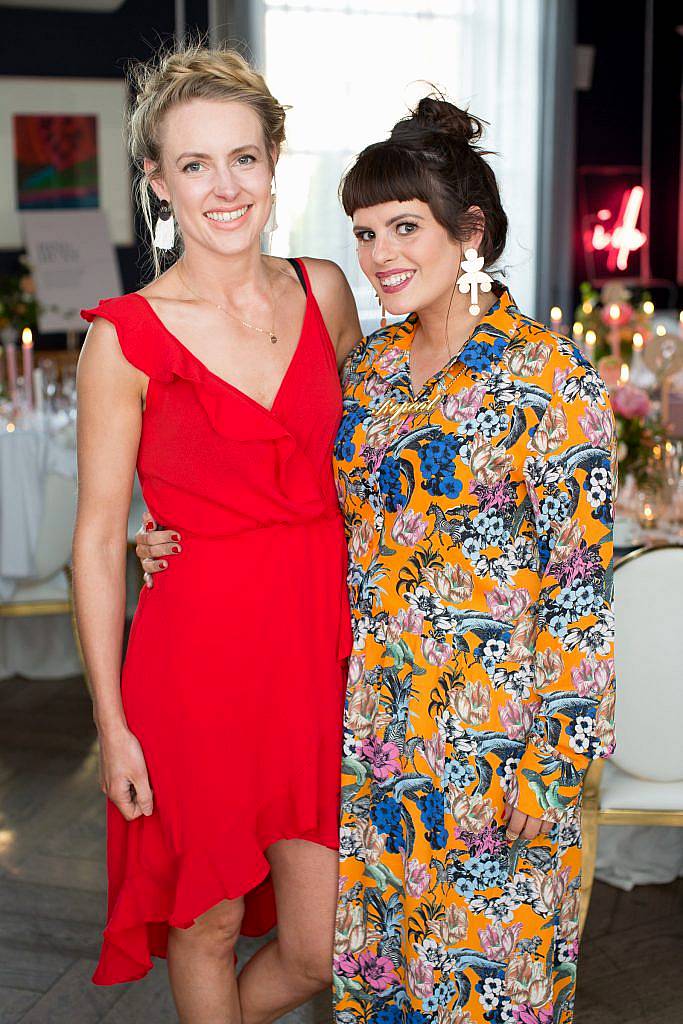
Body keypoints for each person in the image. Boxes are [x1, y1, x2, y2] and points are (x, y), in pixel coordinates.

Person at [136, 94, 617, 1023]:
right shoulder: (367, 376)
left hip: (495, 745)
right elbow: (285, 498)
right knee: (380, 984)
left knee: (490, 988)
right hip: (372, 736)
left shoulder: (551, 379)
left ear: (469, 233)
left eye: (405, 227)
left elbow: (577, 588)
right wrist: (161, 536)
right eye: (363, 233)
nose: (380, 255)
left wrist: (552, 758)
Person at [73, 44, 359, 1024]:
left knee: (319, 947)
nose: (223, 186)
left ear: (275, 160)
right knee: (205, 919)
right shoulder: (123, 338)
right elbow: (95, 538)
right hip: (195, 661)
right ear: (156, 179)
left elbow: (368, 461)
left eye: (242, 157)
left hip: (320, 649)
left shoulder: (324, 291)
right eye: (193, 164)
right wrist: (112, 726)